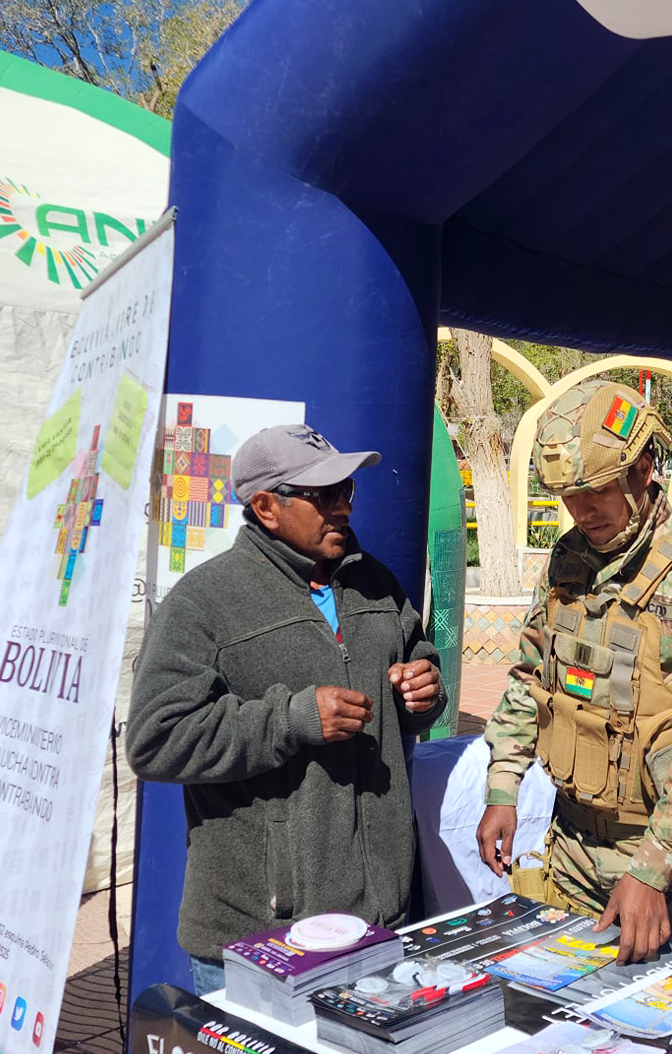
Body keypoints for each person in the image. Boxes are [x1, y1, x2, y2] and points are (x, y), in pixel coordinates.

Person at [128, 423, 444, 993]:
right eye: (323, 495)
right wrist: (291, 720)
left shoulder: (375, 582)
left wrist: (423, 691)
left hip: (382, 922)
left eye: (346, 489)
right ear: (266, 507)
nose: (343, 506)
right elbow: (155, 739)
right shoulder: (204, 602)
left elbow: (416, 662)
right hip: (263, 942)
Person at [476, 379, 672, 964]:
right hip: (570, 854)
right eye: (569, 496)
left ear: (643, 470)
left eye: (597, 491)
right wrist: (503, 785)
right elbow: (530, 679)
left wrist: (652, 868)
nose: (582, 511)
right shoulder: (568, 560)